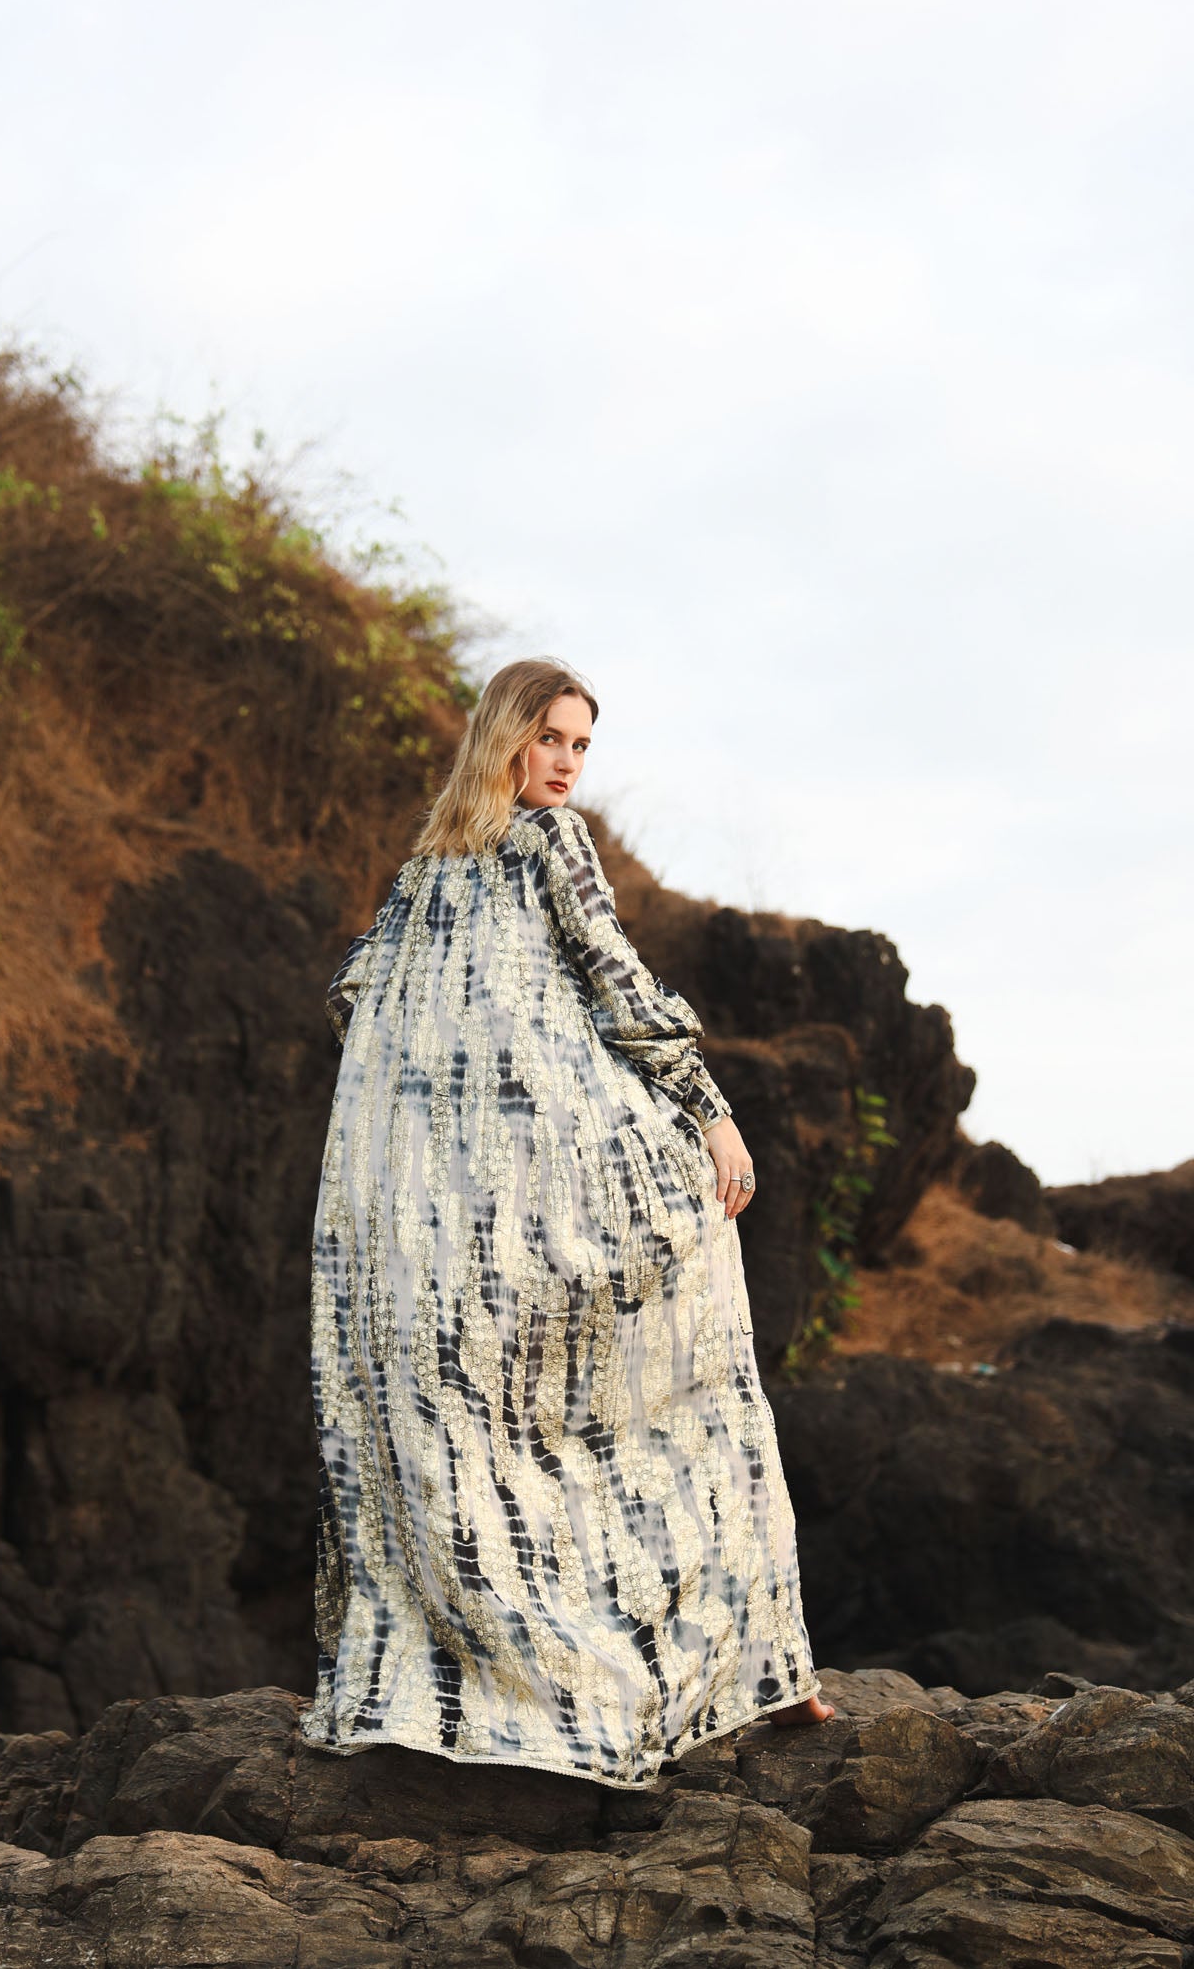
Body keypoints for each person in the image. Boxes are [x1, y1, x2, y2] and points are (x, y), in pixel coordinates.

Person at [299, 656, 834, 1788]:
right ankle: (719, 1670)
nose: (566, 763)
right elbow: (604, 985)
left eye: (581, 746)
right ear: (504, 734)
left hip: (480, 1206)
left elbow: (368, 999)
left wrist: (696, 1113)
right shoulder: (499, 856)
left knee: (553, 1423)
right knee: (580, 1424)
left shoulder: (448, 871)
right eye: (551, 738)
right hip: (507, 1200)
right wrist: (703, 1110)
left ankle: (734, 1668)